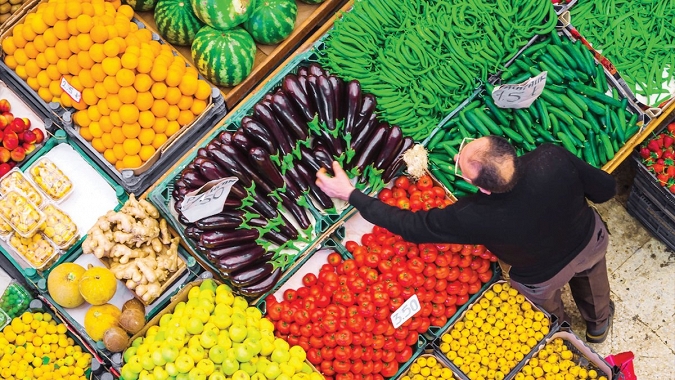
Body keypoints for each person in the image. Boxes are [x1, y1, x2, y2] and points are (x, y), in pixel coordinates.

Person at [315, 135, 616, 343]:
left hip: (541, 276)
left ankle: (562, 333)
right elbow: (605, 190)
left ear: (483, 188)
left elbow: (411, 226)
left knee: (547, 309)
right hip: (588, 240)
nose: (457, 156)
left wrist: (351, 194)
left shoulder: (473, 214)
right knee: (592, 278)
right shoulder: (551, 157)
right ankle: (598, 324)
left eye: (463, 158)